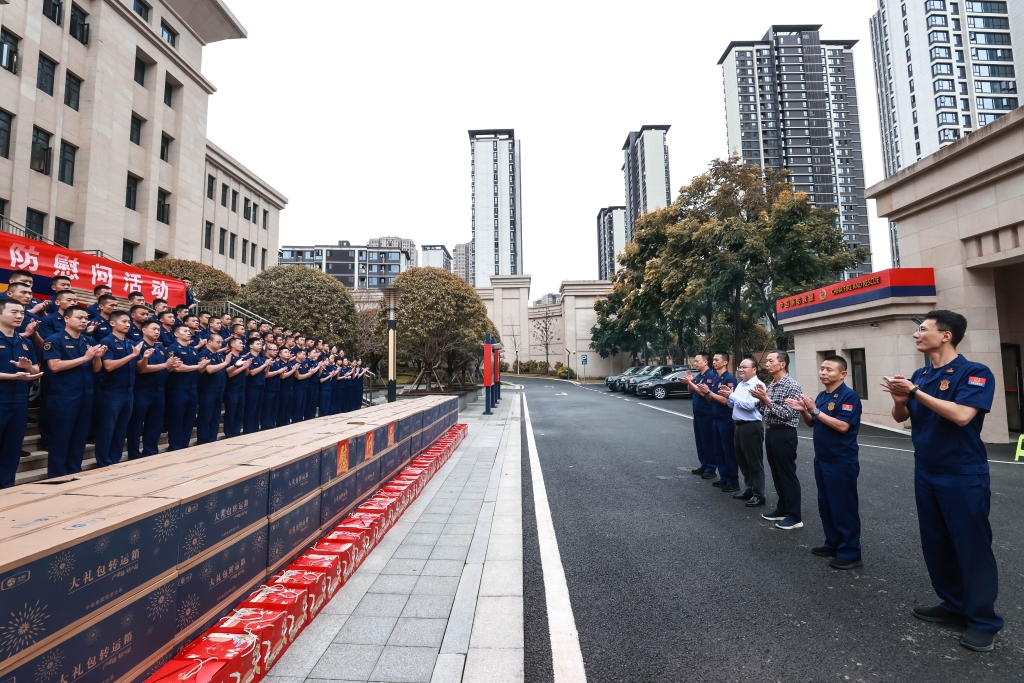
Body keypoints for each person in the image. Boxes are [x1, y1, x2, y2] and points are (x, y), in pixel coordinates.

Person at [882, 310, 1002, 652]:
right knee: (936, 542)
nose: (917, 335)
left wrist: (916, 393)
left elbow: (963, 416)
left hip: (962, 472)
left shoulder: (974, 372)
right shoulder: (920, 374)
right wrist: (900, 401)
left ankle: (983, 620)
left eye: (923, 329)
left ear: (946, 335)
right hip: (927, 469)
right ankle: (953, 604)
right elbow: (904, 418)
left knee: (971, 545)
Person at [787, 355, 863, 572]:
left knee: (844, 506)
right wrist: (804, 410)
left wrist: (816, 410)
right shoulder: (821, 395)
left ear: (843, 374)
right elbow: (813, 422)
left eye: (829, 369)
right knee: (826, 504)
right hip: (823, 458)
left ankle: (851, 552)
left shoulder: (849, 396)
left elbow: (842, 426)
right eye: (822, 368)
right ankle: (833, 543)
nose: (823, 373)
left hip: (841, 460)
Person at [44, 307, 105, 477]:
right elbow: (54, 366)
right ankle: (57, 475)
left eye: (86, 318)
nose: (84, 321)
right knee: (61, 436)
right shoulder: (54, 339)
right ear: (66, 319)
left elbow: (96, 369)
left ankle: (73, 470)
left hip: (86, 394)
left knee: (80, 436)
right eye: (79, 317)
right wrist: (85, 358)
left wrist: (97, 357)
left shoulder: (89, 341)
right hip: (64, 394)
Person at [751, 350, 804, 530]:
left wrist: (767, 400)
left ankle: (794, 515)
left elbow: (788, 414)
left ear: (782, 364)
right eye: (767, 360)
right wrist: (761, 400)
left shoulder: (792, 386)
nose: (767, 363)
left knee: (787, 474)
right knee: (776, 473)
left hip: (785, 433)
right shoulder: (771, 385)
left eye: (771, 360)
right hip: (771, 432)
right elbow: (764, 412)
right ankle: (782, 508)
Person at [94, 311, 149, 467]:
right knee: (107, 428)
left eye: (128, 322)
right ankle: (103, 461)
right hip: (111, 391)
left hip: (128, 391)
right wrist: (132, 355)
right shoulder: (107, 341)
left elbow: (140, 367)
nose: (128, 324)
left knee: (121, 428)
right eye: (124, 321)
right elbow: (109, 366)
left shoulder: (130, 342)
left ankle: (115, 459)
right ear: (112, 323)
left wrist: (144, 358)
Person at [0, 300, 42, 488]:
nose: (19, 316)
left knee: (13, 448)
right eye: (14, 312)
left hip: (18, 402)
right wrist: (13, 375)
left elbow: (33, 370)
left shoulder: (25, 342)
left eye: (22, 313)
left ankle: (7, 487)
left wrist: (28, 369)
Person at [718, 357, 767, 507]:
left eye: (745, 367)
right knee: (743, 460)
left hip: (751, 426)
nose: (741, 369)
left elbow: (751, 405)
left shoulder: (758, 385)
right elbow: (733, 404)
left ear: (754, 369)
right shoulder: (741, 385)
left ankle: (759, 494)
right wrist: (728, 396)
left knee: (754, 462)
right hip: (738, 425)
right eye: (740, 367)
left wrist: (732, 396)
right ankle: (749, 489)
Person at [127, 320, 178, 459]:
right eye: (154, 329)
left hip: (159, 389)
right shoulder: (137, 346)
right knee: (137, 423)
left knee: (155, 422)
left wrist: (172, 365)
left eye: (158, 330)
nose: (157, 332)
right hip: (142, 389)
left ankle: (150, 450)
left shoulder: (160, 348)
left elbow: (167, 367)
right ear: (144, 330)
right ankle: (134, 453)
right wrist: (165, 365)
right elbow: (141, 368)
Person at [165, 324, 209, 450]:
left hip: (192, 388)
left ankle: (185, 444)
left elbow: (200, 371)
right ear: (176, 334)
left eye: (189, 331)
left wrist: (203, 365)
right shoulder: (173, 348)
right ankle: (175, 446)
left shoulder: (193, 350)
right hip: (178, 388)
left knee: (189, 419)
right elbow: (177, 368)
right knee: (177, 418)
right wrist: (198, 367)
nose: (189, 333)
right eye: (185, 331)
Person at [703, 352, 741, 493]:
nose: (714, 361)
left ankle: (733, 480)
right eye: (713, 359)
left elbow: (726, 401)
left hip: (726, 419)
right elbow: (711, 400)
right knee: (718, 450)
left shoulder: (729, 379)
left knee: (728, 450)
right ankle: (724, 477)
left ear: (725, 362)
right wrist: (707, 393)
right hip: (715, 418)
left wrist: (709, 392)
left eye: (716, 359)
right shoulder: (715, 379)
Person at [682, 353, 717, 478]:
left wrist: (690, 382)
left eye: (697, 361)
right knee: (700, 441)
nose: (695, 363)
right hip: (697, 413)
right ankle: (704, 464)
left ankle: (711, 467)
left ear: (705, 362)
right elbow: (691, 391)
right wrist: (690, 381)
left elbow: (703, 393)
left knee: (708, 441)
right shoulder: (699, 376)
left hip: (706, 413)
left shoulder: (710, 376)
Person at [196, 334, 231, 444]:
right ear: (209, 342)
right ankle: (203, 441)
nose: (220, 344)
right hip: (208, 390)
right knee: (206, 416)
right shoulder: (203, 354)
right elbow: (209, 370)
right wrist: (225, 363)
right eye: (218, 342)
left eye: (221, 342)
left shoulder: (219, 356)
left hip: (219, 390)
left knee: (215, 417)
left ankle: (212, 439)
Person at [222, 337, 250, 438]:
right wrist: (242, 367)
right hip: (232, 389)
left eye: (242, 343)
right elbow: (229, 374)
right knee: (231, 412)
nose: (242, 345)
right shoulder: (229, 356)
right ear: (232, 345)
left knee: (239, 413)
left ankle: (236, 433)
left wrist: (246, 366)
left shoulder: (242, 357)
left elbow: (246, 373)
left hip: (241, 388)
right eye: (240, 343)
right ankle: (229, 434)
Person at [242, 337, 268, 434]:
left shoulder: (260, 359)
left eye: (260, 344)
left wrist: (267, 366)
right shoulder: (248, 357)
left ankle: (255, 430)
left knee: (258, 410)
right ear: (251, 346)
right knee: (251, 411)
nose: (260, 345)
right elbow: (251, 373)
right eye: (257, 344)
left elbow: (264, 374)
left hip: (261, 386)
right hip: (252, 387)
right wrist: (265, 365)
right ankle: (248, 431)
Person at [261, 343, 286, 430]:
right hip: (268, 389)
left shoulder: (275, 362)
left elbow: (277, 374)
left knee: (274, 410)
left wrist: (281, 372)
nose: (276, 352)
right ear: (267, 350)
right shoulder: (264, 360)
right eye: (274, 350)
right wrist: (278, 371)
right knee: (267, 410)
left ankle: (272, 426)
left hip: (276, 388)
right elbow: (266, 375)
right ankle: (266, 427)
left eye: (277, 350)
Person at [276, 348, 297, 427]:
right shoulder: (279, 363)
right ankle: (281, 425)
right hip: (283, 389)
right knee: (282, 408)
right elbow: (282, 376)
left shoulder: (290, 364)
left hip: (290, 388)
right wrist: (293, 370)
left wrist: (294, 369)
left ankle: (287, 423)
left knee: (288, 408)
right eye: (285, 352)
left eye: (288, 352)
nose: (288, 354)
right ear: (280, 355)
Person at [291, 348, 310, 423]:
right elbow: (298, 377)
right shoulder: (294, 364)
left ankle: (300, 421)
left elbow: (306, 375)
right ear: (298, 355)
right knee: (297, 406)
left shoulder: (304, 364)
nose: (305, 356)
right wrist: (309, 373)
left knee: (302, 406)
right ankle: (296, 422)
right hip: (297, 388)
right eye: (303, 354)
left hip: (304, 387)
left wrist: (308, 374)